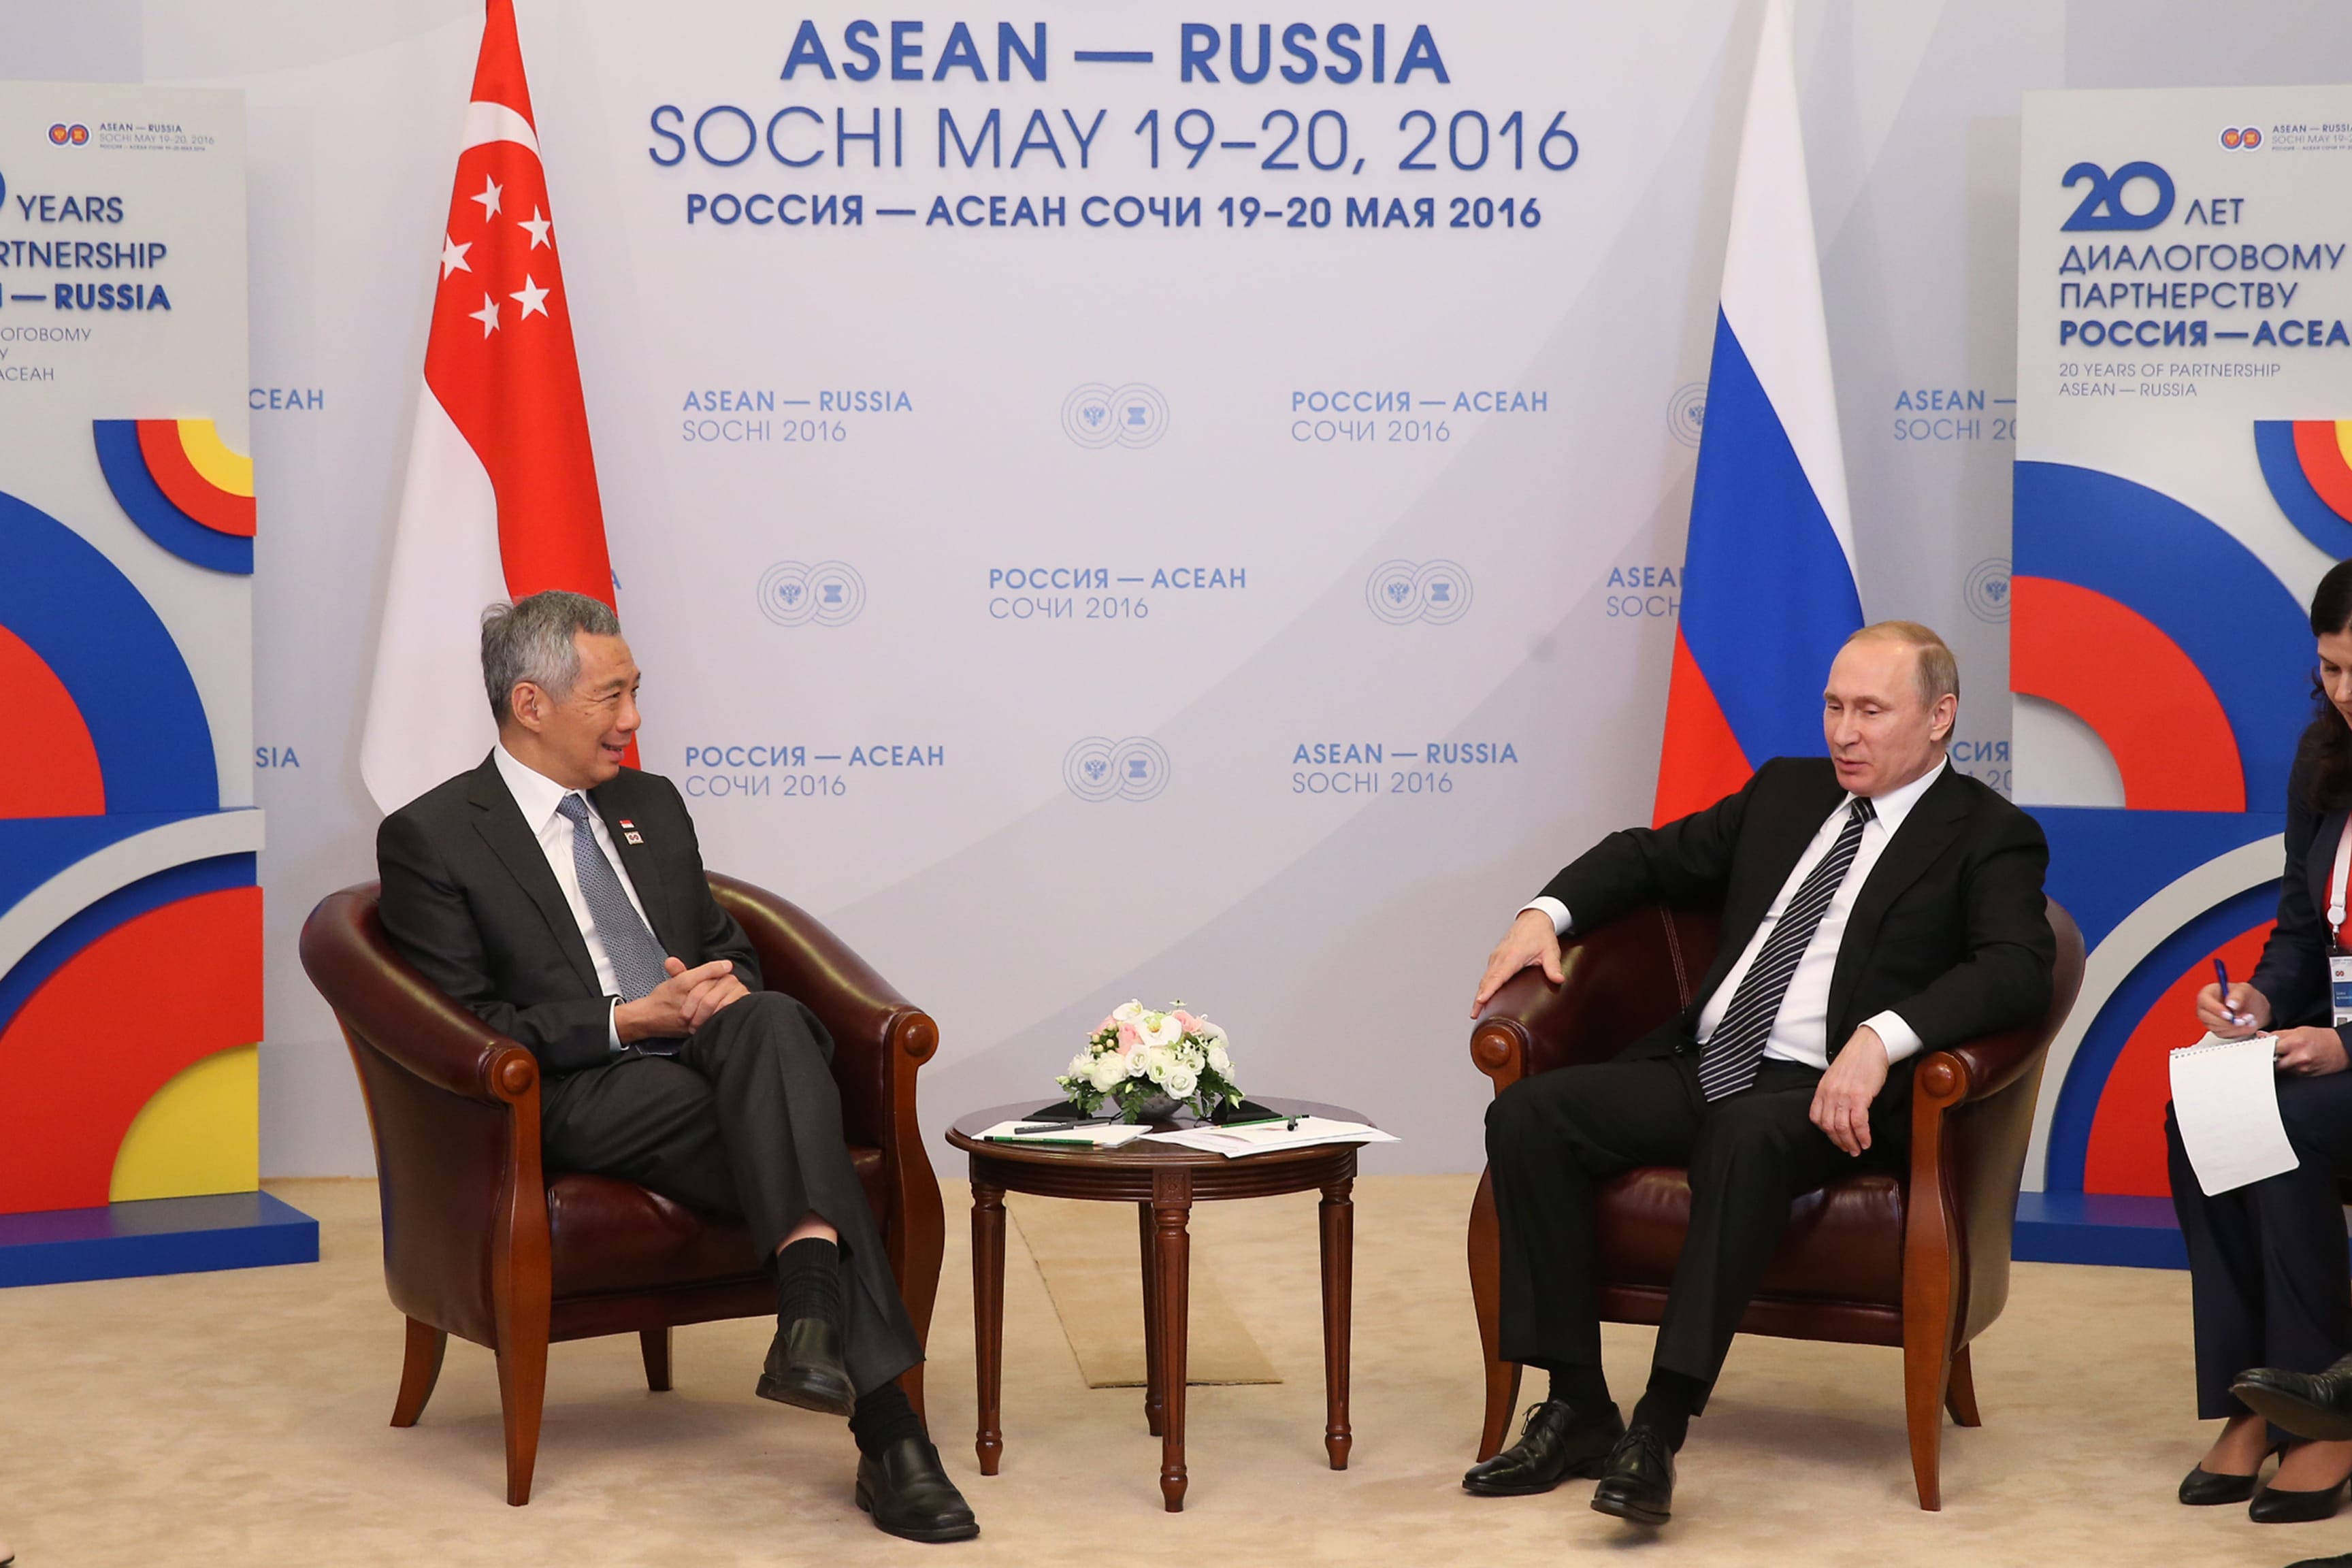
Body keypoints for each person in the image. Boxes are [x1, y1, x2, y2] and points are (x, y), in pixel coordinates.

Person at [376, 590, 977, 1544]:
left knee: (771, 1015)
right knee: (795, 1122)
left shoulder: (649, 804)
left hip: (718, 1054)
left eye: (635, 692)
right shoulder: (433, 837)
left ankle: (816, 1316)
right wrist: (625, 1018)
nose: (633, 719)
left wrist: (714, 988)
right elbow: (472, 1023)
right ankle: (892, 1434)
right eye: (611, 697)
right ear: (531, 705)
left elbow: (725, 945)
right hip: (580, 1087)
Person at [1463, 621, 2054, 1524]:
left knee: (1743, 1137)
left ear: (1940, 718)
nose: (1844, 733)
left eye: (1871, 711)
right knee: (1531, 1117)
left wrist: (1881, 1039)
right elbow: (1648, 857)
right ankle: (1578, 1401)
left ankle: (1657, 1428)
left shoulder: (1989, 834)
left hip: (1826, 1097)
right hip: (1704, 1063)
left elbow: (2017, 965)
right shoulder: (1786, 791)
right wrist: (1545, 912)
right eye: (1833, 706)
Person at [2174, 558, 2352, 1526]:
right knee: (2198, 1110)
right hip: (2328, 1051)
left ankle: (2327, 1411)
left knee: (2288, 1121)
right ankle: (2258, 1396)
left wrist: (2350, 1051)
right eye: (2331, 670)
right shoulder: (2322, 757)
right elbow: (2300, 928)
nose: (2345, 694)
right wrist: (2255, 1002)